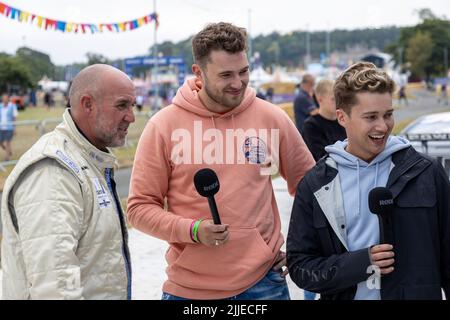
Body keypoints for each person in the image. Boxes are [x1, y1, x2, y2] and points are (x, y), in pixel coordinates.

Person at [127, 22, 315, 300]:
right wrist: (192, 230)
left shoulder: (271, 118)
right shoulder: (163, 125)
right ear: (198, 73)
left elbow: (309, 188)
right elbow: (139, 209)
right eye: (226, 75)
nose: (238, 83)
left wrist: (303, 249)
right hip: (189, 290)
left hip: (264, 284)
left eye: (244, 71)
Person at [287, 62, 450, 300]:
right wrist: (360, 263)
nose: (383, 126)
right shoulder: (316, 184)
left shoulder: (426, 172)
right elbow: (300, 267)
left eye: (388, 114)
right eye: (371, 117)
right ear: (342, 117)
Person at [1, 64, 135, 300]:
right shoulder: (54, 171)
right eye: (122, 105)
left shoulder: (88, 159)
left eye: (132, 106)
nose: (131, 117)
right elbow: (55, 287)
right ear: (87, 104)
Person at [302, 79, 347, 162]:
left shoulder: (344, 121)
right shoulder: (311, 126)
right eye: (333, 99)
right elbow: (321, 157)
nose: (338, 102)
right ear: (320, 100)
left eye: (339, 98)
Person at [0, 93, 18, 161]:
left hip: (9, 127)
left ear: (8, 99)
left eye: (5, 99)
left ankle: (7, 157)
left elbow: (14, 117)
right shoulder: (0, 106)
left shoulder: (12, 106)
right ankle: (9, 151)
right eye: (3, 99)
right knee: (1, 142)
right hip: (1, 127)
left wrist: (14, 128)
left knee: (8, 142)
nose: (4, 100)